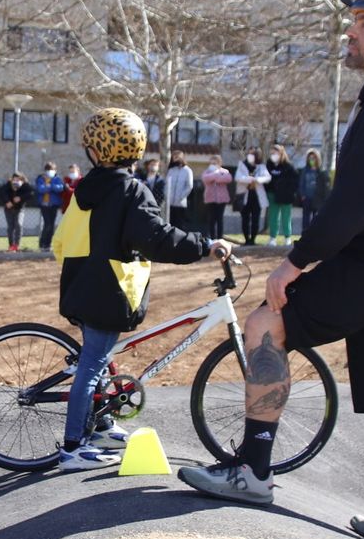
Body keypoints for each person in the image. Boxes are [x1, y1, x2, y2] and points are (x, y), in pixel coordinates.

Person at [178, 0, 364, 539]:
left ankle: (252, 471)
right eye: (353, 22)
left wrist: (294, 264)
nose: (350, 33)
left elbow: (353, 206)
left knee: (263, 327)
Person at [53, 108, 233, 470]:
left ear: (97, 152)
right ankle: (73, 447)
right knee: (92, 365)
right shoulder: (130, 190)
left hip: (83, 282)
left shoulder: (89, 188)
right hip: (109, 289)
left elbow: (65, 240)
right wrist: (205, 244)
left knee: (100, 359)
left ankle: (101, 424)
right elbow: (157, 239)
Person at [233, 148, 269, 245]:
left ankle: (253, 240)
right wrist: (250, 179)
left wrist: (257, 180)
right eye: (249, 154)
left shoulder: (261, 167)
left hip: (256, 197)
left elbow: (267, 177)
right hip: (245, 196)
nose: (250, 156)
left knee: (255, 219)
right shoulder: (242, 165)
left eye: (253, 154)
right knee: (245, 219)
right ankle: (246, 239)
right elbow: (238, 177)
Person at [265, 144, 298, 245]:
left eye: (275, 153)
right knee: (273, 217)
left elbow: (294, 181)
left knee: (286, 217)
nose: (273, 155)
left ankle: (287, 237)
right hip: (272, 195)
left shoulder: (289, 167)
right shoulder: (268, 165)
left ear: (281, 153)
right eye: (272, 153)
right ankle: (272, 238)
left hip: (285, 196)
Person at [34, 161, 67, 251]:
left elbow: (60, 188)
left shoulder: (57, 179)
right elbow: (40, 189)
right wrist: (51, 187)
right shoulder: (40, 178)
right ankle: (42, 243)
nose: (50, 171)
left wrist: (49, 186)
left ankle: (48, 244)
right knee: (47, 224)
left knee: (51, 225)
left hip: (54, 205)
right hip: (44, 205)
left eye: (52, 169)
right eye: (48, 169)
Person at [201, 156, 233, 240]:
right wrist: (216, 175)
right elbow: (205, 179)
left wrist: (215, 176)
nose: (213, 165)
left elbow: (228, 178)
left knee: (219, 219)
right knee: (211, 219)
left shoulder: (224, 171)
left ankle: (220, 238)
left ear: (219, 163)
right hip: (210, 199)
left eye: (215, 163)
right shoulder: (207, 172)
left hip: (222, 200)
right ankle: (212, 238)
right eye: (211, 163)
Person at [0, 172, 32, 251]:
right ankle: (11, 245)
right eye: (14, 179)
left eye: (18, 179)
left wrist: (20, 198)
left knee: (18, 224)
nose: (15, 181)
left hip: (19, 209)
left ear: (21, 179)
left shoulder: (25, 186)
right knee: (10, 227)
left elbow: (31, 193)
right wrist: (7, 201)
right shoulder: (7, 185)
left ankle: (16, 245)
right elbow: (1, 193)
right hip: (9, 209)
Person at [297, 149, 326, 234]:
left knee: (316, 218)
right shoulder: (305, 170)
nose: (312, 160)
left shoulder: (321, 171)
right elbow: (301, 183)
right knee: (305, 219)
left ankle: (315, 235)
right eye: (310, 158)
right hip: (307, 198)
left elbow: (324, 185)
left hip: (317, 199)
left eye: (313, 158)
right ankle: (305, 235)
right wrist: (302, 195)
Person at [166, 152, 194, 230]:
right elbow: (167, 183)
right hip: (170, 203)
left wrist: (181, 196)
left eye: (177, 157)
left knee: (180, 224)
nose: (175, 159)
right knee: (170, 223)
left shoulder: (188, 170)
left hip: (180, 203)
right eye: (174, 157)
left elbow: (189, 186)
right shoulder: (171, 170)